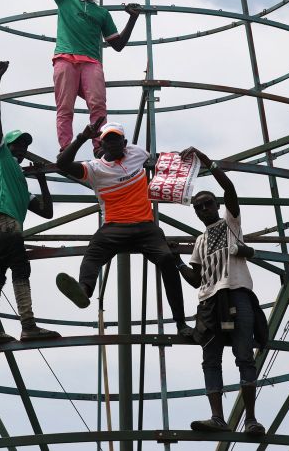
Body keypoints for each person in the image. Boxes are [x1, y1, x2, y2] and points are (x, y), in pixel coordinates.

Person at [54, 121, 192, 338]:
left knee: (167, 259)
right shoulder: (95, 169)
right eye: (108, 139)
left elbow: (163, 160)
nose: (113, 143)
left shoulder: (136, 153)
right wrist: (81, 137)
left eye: (116, 138)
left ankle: (181, 324)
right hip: (114, 227)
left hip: (145, 226)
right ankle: (84, 291)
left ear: (124, 142)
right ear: (102, 144)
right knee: (93, 253)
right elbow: (62, 164)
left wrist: (184, 155)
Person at [177, 147, 269, 435]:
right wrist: (176, 262)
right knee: (210, 358)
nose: (203, 209)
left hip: (236, 293)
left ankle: (251, 419)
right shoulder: (200, 240)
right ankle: (218, 418)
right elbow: (195, 279)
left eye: (207, 204)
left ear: (216, 205)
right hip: (208, 301)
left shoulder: (230, 224)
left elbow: (229, 187)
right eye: (198, 207)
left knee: (244, 354)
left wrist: (204, 160)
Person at [36, 0, 142, 157]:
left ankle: (98, 146)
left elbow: (118, 45)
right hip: (65, 59)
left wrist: (133, 18)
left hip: (91, 62)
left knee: (98, 106)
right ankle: (65, 147)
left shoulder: (102, 13)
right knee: (65, 107)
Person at [0, 61, 61, 345]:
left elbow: (47, 212)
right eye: (17, 145)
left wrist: (41, 179)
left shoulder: (21, 183)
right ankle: (28, 324)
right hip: (6, 224)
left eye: (24, 146)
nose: (21, 149)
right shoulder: (1, 159)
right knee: (20, 270)